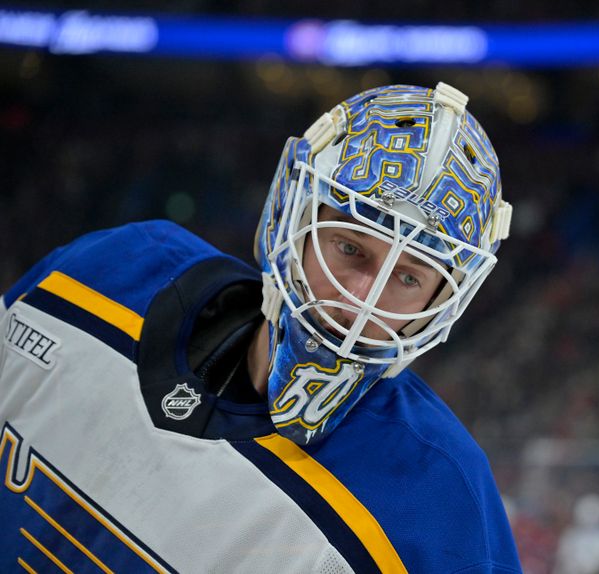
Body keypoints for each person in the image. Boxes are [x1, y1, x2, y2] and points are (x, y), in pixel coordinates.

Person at [0, 82, 520, 572]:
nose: (361, 301)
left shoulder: (443, 509)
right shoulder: (99, 278)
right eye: (349, 248)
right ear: (291, 217)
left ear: (443, 300)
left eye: (408, 277)